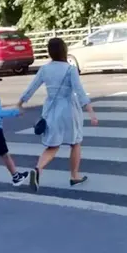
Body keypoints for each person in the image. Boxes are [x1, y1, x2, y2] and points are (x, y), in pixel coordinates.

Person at [18, 37, 98, 191]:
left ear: (50, 52)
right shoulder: (70, 69)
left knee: (53, 145)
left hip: (51, 111)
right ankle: (74, 176)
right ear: (64, 51)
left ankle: (37, 170)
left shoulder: (45, 69)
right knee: (75, 143)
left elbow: (32, 87)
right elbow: (80, 91)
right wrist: (91, 111)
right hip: (69, 109)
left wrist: (20, 103)